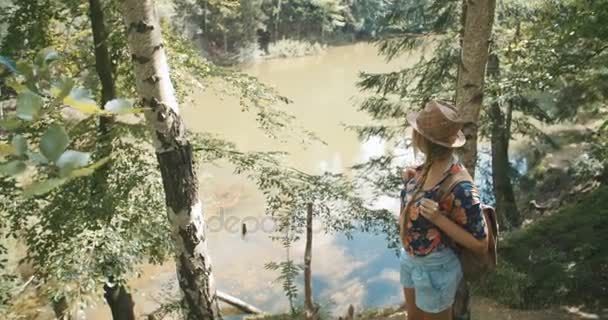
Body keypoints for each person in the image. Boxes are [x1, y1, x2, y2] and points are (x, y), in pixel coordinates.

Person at [399, 100, 488, 320]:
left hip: (436, 267)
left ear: (423, 140)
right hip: (411, 259)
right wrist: (413, 180)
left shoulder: (462, 187)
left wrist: (439, 218)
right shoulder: (427, 166)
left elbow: (481, 245)